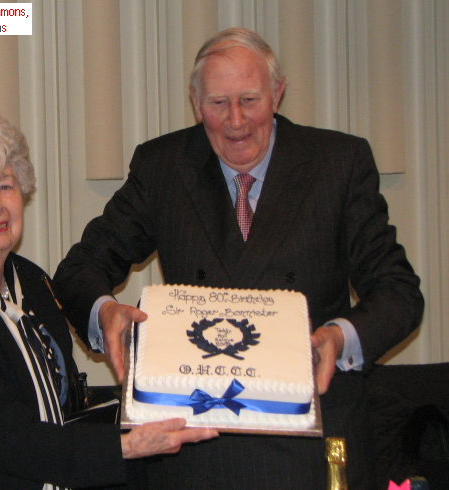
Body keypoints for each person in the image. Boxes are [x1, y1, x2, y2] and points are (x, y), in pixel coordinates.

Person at [53, 28, 424, 490]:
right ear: (195, 102)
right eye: (218, 103)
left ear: (277, 93)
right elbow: (79, 270)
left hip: (311, 441)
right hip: (196, 450)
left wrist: (338, 337)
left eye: (250, 100)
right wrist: (106, 313)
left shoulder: (338, 163)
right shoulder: (163, 167)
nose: (235, 120)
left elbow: (398, 292)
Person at [0, 113, 217, 490]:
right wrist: (124, 447)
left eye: (5, 186)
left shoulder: (31, 281)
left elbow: (56, 408)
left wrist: (148, 401)